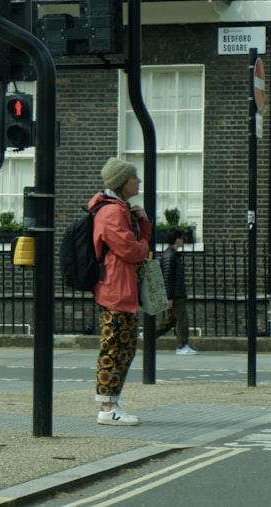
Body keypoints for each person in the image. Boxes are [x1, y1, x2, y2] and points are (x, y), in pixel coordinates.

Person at [90, 157, 153, 426]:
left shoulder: (121, 209)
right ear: (122, 182)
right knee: (114, 348)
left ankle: (112, 403)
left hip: (124, 291)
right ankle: (107, 407)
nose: (138, 180)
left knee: (125, 349)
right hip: (115, 291)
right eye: (134, 176)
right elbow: (132, 251)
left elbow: (138, 247)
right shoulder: (111, 212)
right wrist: (142, 242)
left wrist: (144, 223)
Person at [155, 228, 197, 355]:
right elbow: (167, 278)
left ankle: (148, 335)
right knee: (182, 320)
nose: (183, 240)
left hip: (176, 293)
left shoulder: (171, 254)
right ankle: (182, 346)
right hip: (176, 295)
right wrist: (169, 297)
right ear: (177, 239)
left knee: (171, 320)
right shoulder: (169, 256)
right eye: (182, 238)